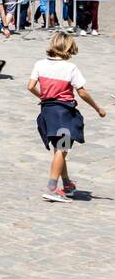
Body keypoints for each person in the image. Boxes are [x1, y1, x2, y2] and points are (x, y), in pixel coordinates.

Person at [29, 32, 106, 202]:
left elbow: (30, 86)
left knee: (59, 150)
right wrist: (98, 108)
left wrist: (43, 97)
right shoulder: (70, 68)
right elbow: (82, 93)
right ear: (68, 48)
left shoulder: (40, 64)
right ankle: (51, 188)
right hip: (64, 115)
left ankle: (67, 184)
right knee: (62, 149)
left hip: (47, 113)